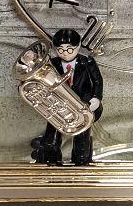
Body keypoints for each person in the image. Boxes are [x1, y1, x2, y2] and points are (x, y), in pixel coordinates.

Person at [32, 28, 103, 166]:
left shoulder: (87, 61)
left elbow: (97, 81)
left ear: (78, 46)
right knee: (52, 132)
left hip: (83, 105)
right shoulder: (53, 63)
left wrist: (96, 98)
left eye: (70, 49)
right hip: (58, 105)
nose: (65, 53)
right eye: (60, 50)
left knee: (82, 134)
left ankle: (81, 159)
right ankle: (51, 158)